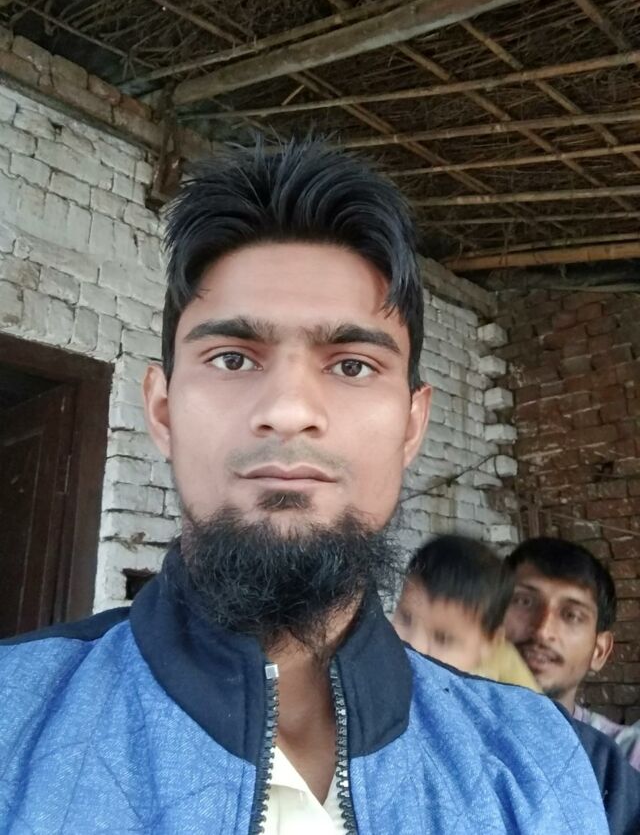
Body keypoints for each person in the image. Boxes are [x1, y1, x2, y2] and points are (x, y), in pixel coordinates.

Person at [1, 139, 639, 834]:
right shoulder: (14, 719)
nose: (289, 409)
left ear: (412, 424)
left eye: (352, 365)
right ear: (162, 411)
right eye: (233, 357)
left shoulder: (534, 761)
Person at [505, 536, 640, 771]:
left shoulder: (624, 757)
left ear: (599, 651)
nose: (543, 631)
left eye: (572, 615)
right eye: (524, 601)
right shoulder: (446, 734)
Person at [392, 535, 539, 690]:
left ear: (489, 644)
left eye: (444, 639)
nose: (415, 646)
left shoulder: (504, 689)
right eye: (406, 618)